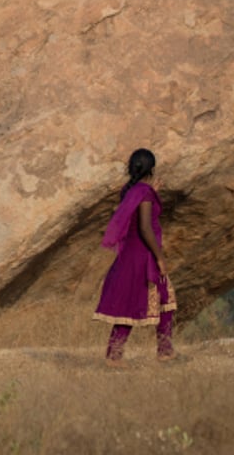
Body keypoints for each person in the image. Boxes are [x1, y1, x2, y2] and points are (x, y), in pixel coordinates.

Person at [93, 148, 177, 364]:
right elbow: (146, 228)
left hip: (128, 256)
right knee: (166, 300)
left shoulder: (130, 190)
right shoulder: (144, 193)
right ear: (152, 169)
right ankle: (165, 351)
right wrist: (159, 257)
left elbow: (138, 203)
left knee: (128, 307)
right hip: (143, 255)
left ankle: (114, 356)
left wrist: (151, 191)